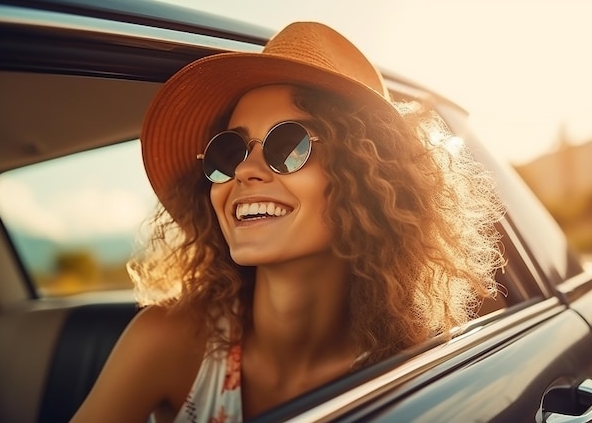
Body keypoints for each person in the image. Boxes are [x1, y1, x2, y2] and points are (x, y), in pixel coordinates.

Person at [72, 21, 505, 422]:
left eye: (288, 144)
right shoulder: (168, 342)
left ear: (368, 178)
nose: (244, 170)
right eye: (229, 150)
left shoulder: (419, 362)